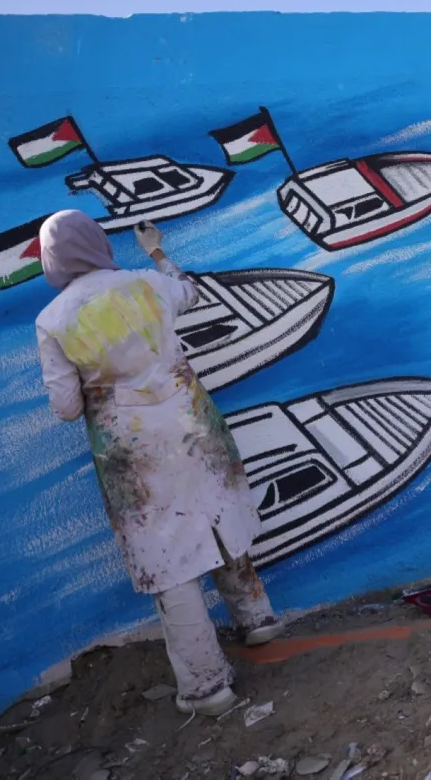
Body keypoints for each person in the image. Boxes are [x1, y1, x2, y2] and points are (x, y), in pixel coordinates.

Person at [34, 210, 284, 716]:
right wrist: (155, 249)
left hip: (133, 452)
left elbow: (65, 409)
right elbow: (187, 291)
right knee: (217, 517)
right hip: (192, 421)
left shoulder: (53, 321)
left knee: (168, 558)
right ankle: (258, 622)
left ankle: (207, 686)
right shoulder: (146, 283)